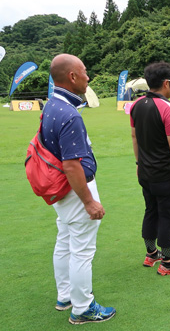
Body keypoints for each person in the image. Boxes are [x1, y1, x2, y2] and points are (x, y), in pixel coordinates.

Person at [42, 54, 115, 324]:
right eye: (84, 72)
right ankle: (82, 307)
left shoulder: (52, 104)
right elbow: (71, 165)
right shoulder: (70, 114)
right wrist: (89, 202)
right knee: (82, 250)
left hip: (59, 190)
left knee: (64, 241)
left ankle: (66, 296)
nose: (88, 77)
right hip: (74, 189)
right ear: (72, 77)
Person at [130, 61, 170, 275]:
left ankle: (151, 254)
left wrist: (139, 164)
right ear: (167, 83)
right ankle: (168, 261)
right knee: (168, 215)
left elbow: (134, 137)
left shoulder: (136, 105)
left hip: (145, 173)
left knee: (151, 211)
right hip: (164, 175)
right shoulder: (168, 108)